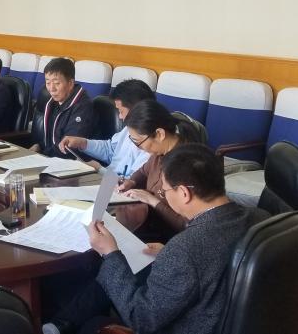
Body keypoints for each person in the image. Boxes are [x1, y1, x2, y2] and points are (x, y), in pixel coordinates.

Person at [42, 144, 269, 334]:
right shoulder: (261, 217)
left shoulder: (185, 249)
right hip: (230, 314)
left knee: (93, 325)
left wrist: (110, 253)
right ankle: (62, 322)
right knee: (134, 268)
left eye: (165, 191)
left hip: (192, 324)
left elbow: (141, 319)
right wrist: (168, 253)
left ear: (184, 193)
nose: (164, 196)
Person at [117, 100, 204, 241]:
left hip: (168, 239)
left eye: (138, 142)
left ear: (159, 134)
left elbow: (188, 225)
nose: (138, 148)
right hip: (147, 222)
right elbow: (144, 171)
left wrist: (152, 201)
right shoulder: (160, 152)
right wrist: (131, 182)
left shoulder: (187, 166)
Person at [57, 79, 155, 175]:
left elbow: (131, 182)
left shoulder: (150, 145)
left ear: (137, 109)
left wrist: (99, 169)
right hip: (107, 180)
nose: (120, 117)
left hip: (112, 183)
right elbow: (110, 150)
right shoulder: (128, 129)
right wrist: (82, 143)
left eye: (121, 111)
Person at [29, 58, 94, 158]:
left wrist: (43, 154)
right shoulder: (53, 102)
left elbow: (69, 147)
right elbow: (50, 138)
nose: (51, 89)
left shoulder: (82, 107)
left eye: (57, 83)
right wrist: (39, 146)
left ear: (70, 84)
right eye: (48, 83)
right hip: (49, 157)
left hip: (68, 162)